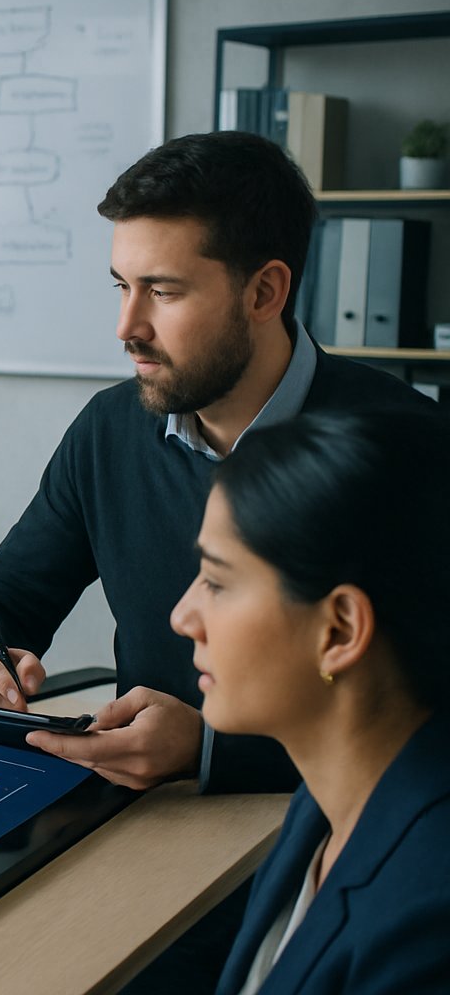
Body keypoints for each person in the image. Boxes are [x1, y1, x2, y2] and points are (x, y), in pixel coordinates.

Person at [0, 131, 433, 796]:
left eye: (163, 292)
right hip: (152, 819)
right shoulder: (109, 430)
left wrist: (209, 750)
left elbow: (432, 717)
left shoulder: (408, 447)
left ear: (264, 292)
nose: (127, 327)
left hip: (330, 821)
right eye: (122, 286)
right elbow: (1, 596)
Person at [169, 411, 450, 994]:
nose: (182, 617)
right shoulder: (323, 803)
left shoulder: (428, 915)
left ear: (339, 630)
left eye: (217, 582)